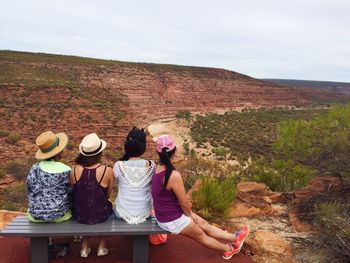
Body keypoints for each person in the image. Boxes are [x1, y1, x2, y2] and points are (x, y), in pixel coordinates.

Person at [151, 135, 250, 259]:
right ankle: (229, 249)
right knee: (202, 236)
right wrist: (190, 215)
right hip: (171, 220)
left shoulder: (157, 168)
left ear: (158, 152)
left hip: (168, 215)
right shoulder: (173, 175)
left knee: (204, 223)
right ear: (174, 151)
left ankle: (235, 238)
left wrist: (190, 214)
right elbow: (184, 203)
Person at [26, 131, 71, 258]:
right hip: (60, 215)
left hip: (35, 215)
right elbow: (71, 193)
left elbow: (29, 189)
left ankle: (50, 245)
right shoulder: (66, 170)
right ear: (58, 152)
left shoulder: (34, 169)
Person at [70, 133, 114, 258]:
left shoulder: (74, 169)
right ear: (99, 153)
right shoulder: (107, 171)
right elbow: (107, 195)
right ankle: (101, 246)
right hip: (100, 215)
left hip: (79, 215)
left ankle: (84, 247)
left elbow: (76, 193)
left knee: (84, 204)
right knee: (107, 206)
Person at [113, 127, 155, 224]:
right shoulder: (151, 165)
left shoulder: (119, 165)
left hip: (121, 213)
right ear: (143, 147)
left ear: (127, 145)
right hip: (146, 213)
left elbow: (115, 184)